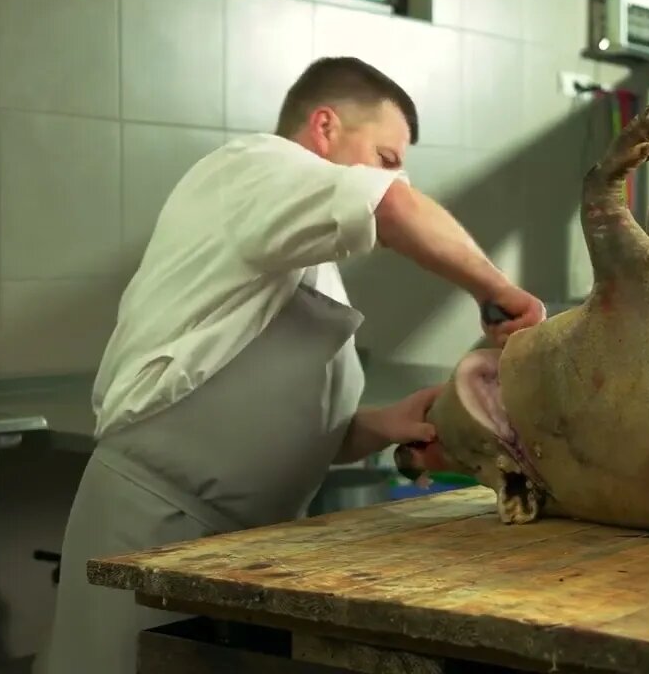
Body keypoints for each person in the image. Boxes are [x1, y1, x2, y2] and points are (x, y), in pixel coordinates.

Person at [34, 56, 546, 674]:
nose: (398, 177)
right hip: (153, 527)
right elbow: (394, 208)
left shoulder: (302, 249)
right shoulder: (253, 168)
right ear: (325, 127)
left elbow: (264, 419)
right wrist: (498, 290)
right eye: (387, 157)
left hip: (239, 546)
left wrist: (376, 426)